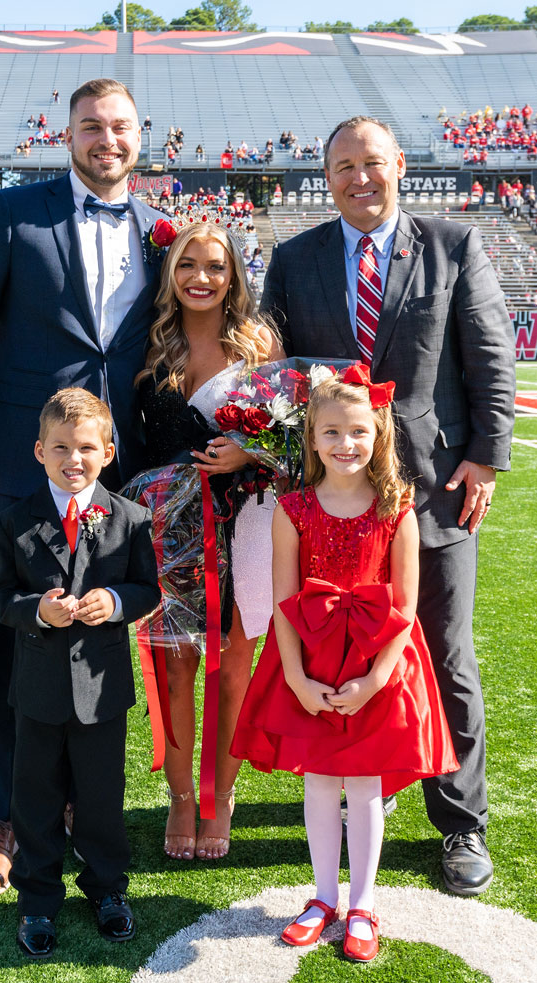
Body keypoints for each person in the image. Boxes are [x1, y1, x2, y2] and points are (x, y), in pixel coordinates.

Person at [260, 115, 516, 897]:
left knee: (445, 655)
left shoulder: (453, 245)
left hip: (433, 491)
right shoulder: (295, 258)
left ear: (400, 164)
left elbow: (491, 355)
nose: (359, 178)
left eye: (373, 163)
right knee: (336, 651)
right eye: (343, 166)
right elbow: (273, 376)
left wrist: (486, 456)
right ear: (324, 174)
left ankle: (460, 821)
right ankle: (348, 787)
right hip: (334, 503)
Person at [0, 77, 165, 899]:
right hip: (14, 467)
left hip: (112, 475)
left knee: (93, 640)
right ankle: (0, 815)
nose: (107, 139)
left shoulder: (157, 233)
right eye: (91, 125)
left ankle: (71, 808)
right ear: (65, 135)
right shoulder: (13, 213)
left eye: (120, 126)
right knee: (8, 644)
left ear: (141, 135)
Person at [232, 367, 458, 962]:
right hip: (310, 661)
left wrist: (375, 680)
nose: (345, 444)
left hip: (375, 666)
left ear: (378, 434)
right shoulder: (293, 509)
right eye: (331, 432)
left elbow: (406, 607)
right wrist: (298, 679)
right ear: (311, 437)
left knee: (363, 788)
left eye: (358, 432)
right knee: (318, 783)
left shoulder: (397, 508)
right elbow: (283, 603)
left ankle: (363, 902)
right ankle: (323, 897)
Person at [0, 388, 159, 957]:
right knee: (34, 801)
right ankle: (37, 901)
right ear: (39, 450)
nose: (73, 459)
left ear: (108, 451)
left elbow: (146, 590)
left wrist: (112, 599)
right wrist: (37, 610)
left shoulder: (131, 518)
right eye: (60, 447)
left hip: (102, 693)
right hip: (37, 693)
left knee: (102, 798)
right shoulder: (14, 520)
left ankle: (107, 890)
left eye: (86, 447)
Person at [135, 221, 284, 860]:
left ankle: (219, 797)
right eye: (187, 264)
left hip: (248, 519)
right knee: (175, 666)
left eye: (215, 265)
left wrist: (246, 451)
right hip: (168, 525)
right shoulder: (147, 343)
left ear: (234, 274)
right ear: (170, 273)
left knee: (235, 669)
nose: (201, 277)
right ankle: (178, 796)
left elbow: (291, 441)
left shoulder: (261, 343)